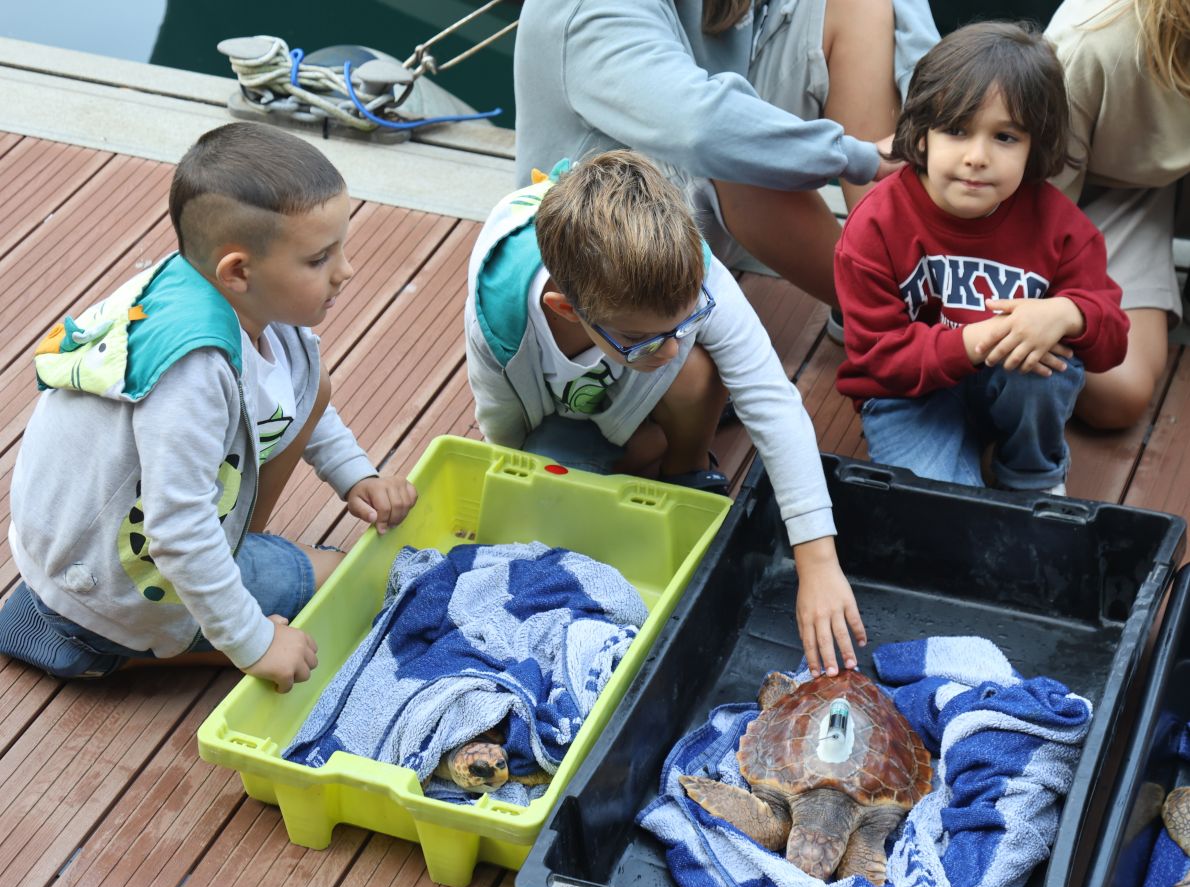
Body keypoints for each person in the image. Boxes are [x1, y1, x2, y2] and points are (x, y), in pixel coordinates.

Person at [0, 122, 417, 692]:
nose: (346, 270)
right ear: (238, 271)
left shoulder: (233, 301)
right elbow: (177, 529)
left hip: (89, 548)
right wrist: (255, 644)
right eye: (320, 259)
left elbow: (290, 396)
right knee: (348, 589)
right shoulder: (191, 371)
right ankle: (92, 641)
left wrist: (354, 474)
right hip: (116, 578)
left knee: (314, 383)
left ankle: (104, 622)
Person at [465, 149, 863, 678]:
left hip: (630, 387)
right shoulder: (501, 317)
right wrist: (518, 498)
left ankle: (684, 469)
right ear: (567, 309)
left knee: (696, 370)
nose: (670, 349)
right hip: (559, 414)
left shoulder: (683, 263)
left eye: (685, 321)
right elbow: (502, 425)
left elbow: (772, 398)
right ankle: (639, 448)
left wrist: (817, 560)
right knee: (550, 508)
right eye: (641, 336)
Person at [513, 0, 940, 331]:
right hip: (602, 250)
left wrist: (944, 107)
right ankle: (894, 314)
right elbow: (700, 127)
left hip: (698, 206)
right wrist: (861, 157)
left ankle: (906, 269)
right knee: (732, 146)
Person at [833, 22, 1130, 493]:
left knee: (1047, 366)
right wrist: (977, 339)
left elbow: (1113, 340)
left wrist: (1068, 313)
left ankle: (1028, 472)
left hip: (1009, 383)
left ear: (1035, 146)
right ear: (923, 134)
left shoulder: (1059, 224)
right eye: (956, 129)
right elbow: (876, 360)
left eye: (1005, 137)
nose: (977, 156)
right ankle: (967, 465)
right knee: (942, 511)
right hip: (909, 397)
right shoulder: (874, 226)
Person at [1046, 0, 1190, 430]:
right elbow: (1037, 213)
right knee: (1118, 391)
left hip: (1169, 171)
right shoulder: (1093, 43)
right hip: (1099, 190)